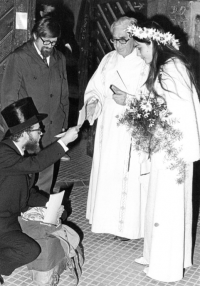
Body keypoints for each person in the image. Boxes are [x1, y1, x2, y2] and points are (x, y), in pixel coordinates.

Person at [128, 21, 200, 282]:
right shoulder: (166, 67)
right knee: (158, 203)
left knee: (168, 207)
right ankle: (156, 255)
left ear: (154, 44)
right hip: (166, 146)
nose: (138, 52)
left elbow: (178, 114)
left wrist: (152, 127)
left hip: (173, 149)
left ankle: (167, 267)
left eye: (140, 47)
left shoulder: (173, 69)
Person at [0, 97, 79, 284]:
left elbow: (27, 193)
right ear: (25, 133)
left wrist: (52, 205)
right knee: (29, 249)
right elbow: (36, 164)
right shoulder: (3, 153)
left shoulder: (20, 154)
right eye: (38, 129)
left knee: (31, 249)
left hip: (7, 222)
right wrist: (64, 142)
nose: (42, 132)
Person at [84, 16, 149, 240]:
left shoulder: (145, 62)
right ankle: (105, 220)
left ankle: (127, 228)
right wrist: (93, 102)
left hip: (130, 131)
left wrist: (129, 100)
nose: (117, 45)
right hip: (108, 129)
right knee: (107, 171)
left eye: (122, 40)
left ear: (133, 37)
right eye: (114, 40)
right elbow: (95, 88)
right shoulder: (108, 59)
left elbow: (153, 100)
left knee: (126, 175)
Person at [1, 16, 69, 193]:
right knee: (26, 182)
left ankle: (42, 216)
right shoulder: (19, 58)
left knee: (46, 180)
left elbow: (64, 96)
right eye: (45, 41)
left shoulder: (60, 58)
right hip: (29, 131)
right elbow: (8, 99)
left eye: (53, 43)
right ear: (34, 36)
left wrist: (63, 124)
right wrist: (18, 134)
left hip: (53, 129)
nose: (49, 46)